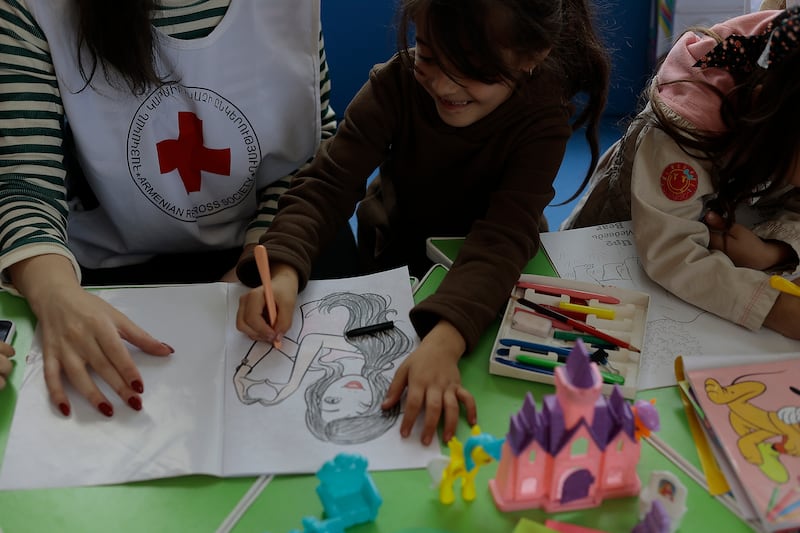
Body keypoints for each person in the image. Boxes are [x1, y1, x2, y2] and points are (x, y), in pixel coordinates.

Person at [235, 0, 610, 446]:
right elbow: (327, 183)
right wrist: (282, 271)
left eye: (472, 69)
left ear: (532, 55)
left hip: (487, 287)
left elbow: (503, 234)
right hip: (393, 260)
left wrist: (446, 339)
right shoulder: (396, 84)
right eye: (429, 56)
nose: (444, 85)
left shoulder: (542, 116)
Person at [0, 0, 354, 417]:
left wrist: (267, 256)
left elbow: (305, 157)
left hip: (268, 244)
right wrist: (55, 295)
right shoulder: (32, 9)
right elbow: (23, 183)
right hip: (102, 271)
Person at [561, 7, 800, 340]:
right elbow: (671, 252)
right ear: (768, 116)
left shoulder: (782, 117)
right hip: (621, 241)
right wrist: (773, 307)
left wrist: (777, 249)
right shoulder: (682, 129)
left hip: (721, 257)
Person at [233, 292, 413, 444]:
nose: (351, 395)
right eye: (364, 405)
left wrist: (241, 373)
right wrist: (292, 384)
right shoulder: (382, 355)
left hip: (298, 294)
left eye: (333, 402)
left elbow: (273, 341)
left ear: (319, 397)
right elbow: (315, 339)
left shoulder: (317, 365)